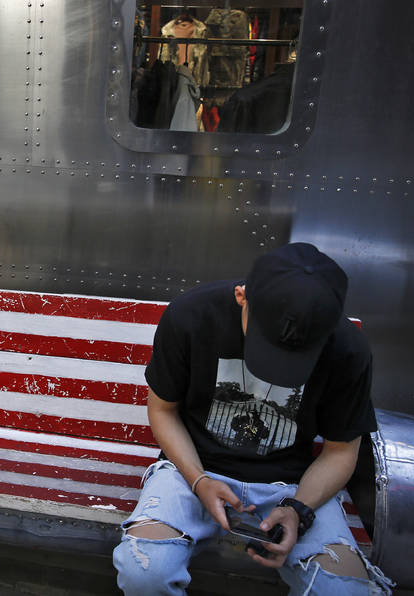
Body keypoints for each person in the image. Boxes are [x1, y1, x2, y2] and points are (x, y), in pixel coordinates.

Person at [113, 242, 393, 595]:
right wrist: (199, 481)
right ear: (241, 296)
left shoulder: (348, 348)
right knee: (144, 571)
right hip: (192, 469)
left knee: (345, 590)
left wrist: (298, 509)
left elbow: (341, 451)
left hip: (293, 485)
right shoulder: (192, 314)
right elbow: (163, 410)